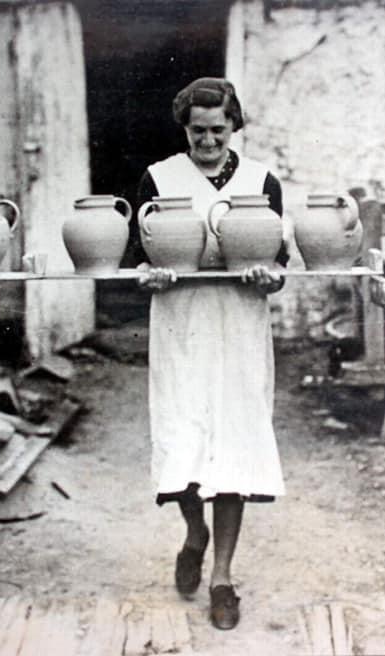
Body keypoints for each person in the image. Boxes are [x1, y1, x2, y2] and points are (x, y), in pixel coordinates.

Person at [128, 77, 287, 631]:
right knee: (183, 438)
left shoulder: (261, 182)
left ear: (234, 125)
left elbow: (281, 263)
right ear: (185, 128)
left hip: (239, 324)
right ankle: (194, 531)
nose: (209, 141)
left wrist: (270, 277)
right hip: (182, 324)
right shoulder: (159, 178)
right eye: (198, 131)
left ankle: (222, 578)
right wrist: (147, 274)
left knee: (234, 445)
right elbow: (136, 255)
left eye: (218, 129)